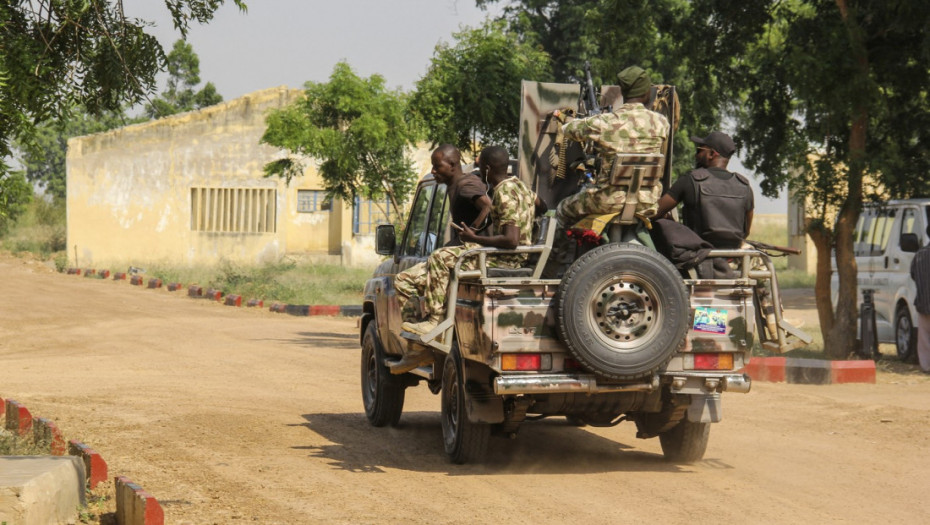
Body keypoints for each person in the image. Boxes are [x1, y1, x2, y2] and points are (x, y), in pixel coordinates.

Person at [391, 146, 538, 373]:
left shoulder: (484, 187)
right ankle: (418, 348)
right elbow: (543, 206)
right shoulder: (521, 188)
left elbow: (511, 239)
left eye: (437, 165)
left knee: (440, 256)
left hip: (505, 259)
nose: (433, 170)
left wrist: (474, 236)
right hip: (507, 255)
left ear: (486, 169)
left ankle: (434, 321)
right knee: (407, 277)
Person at [543, 65, 670, 277]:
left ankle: (556, 268)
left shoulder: (604, 123)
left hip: (606, 200)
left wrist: (570, 119)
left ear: (624, 92)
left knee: (562, 210)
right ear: (646, 92)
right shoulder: (661, 123)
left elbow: (569, 130)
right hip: (646, 201)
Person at [655, 131, 754, 249]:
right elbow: (746, 231)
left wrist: (668, 219)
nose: (696, 155)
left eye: (700, 150)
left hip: (697, 252)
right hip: (732, 252)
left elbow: (654, 211)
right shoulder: (744, 185)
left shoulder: (691, 180)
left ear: (712, 154)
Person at [431, 144, 492, 246]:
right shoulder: (457, 184)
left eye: (437, 166)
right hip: (471, 249)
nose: (433, 171)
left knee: (436, 259)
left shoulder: (465, 185)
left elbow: (488, 206)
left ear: (451, 165)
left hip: (478, 252)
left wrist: (472, 231)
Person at [910, 226, 930, 373]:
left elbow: (913, 274)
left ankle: (926, 366)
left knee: (924, 338)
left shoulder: (919, 255)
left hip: (923, 303)